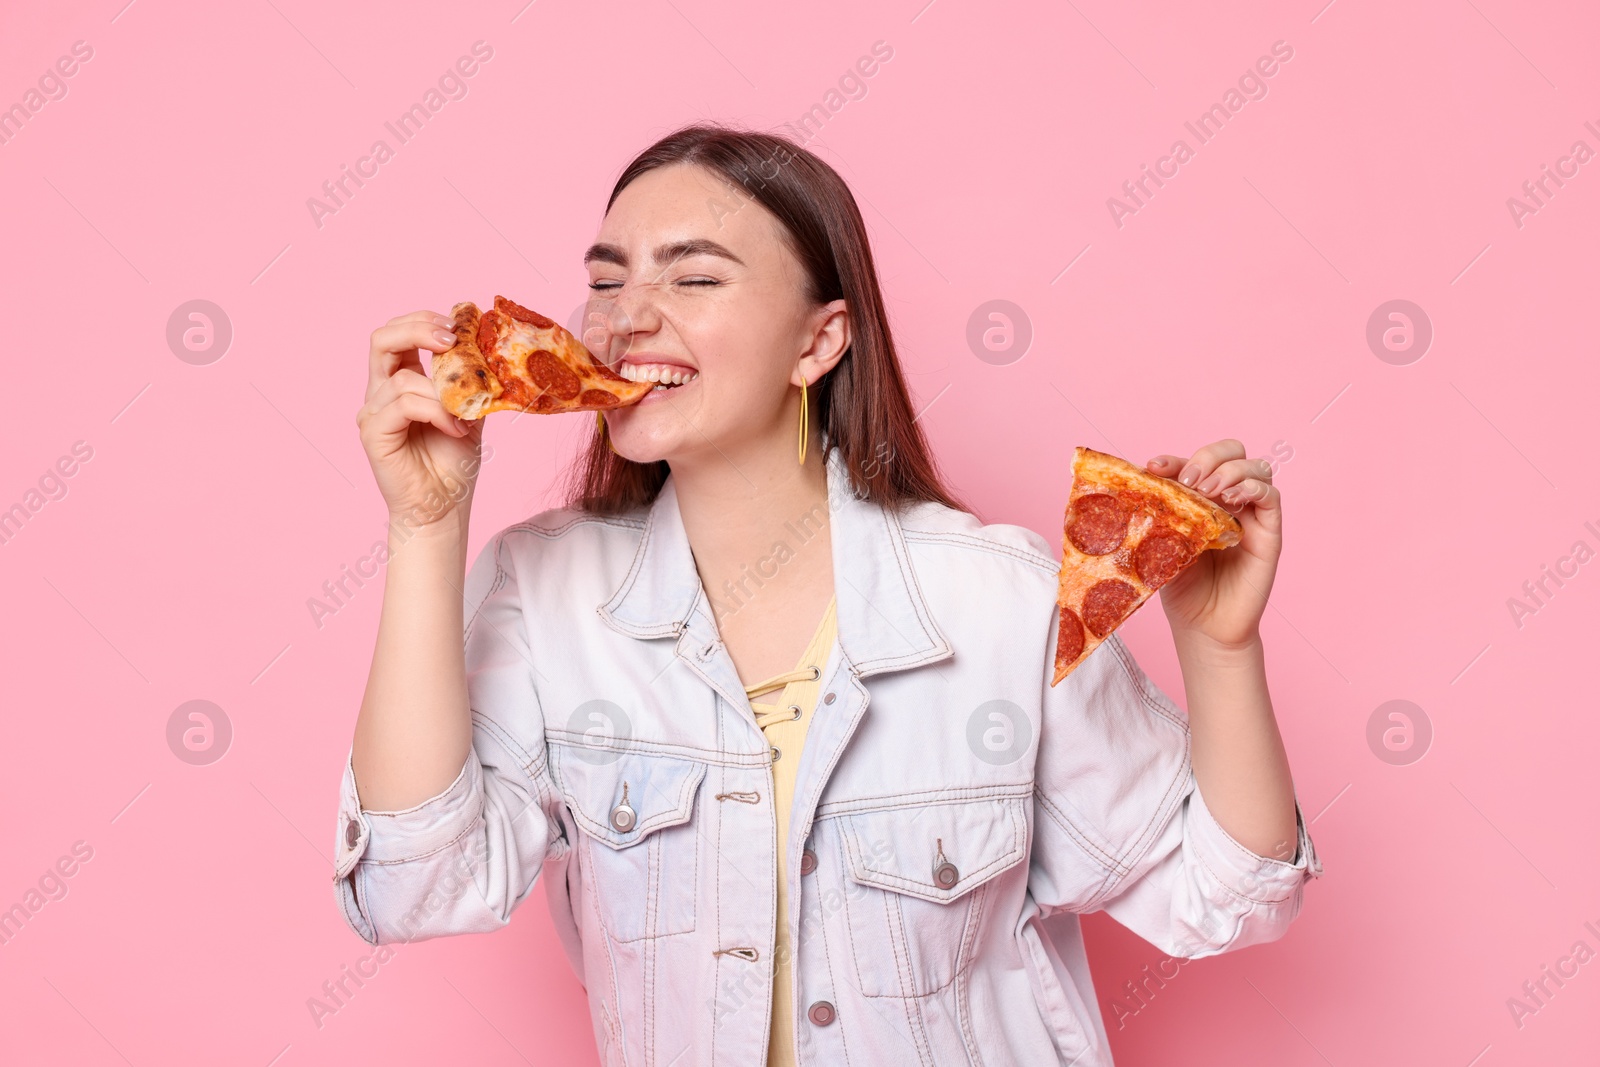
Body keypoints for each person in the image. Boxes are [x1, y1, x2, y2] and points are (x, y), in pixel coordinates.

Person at [335, 123, 1322, 1066]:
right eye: (606, 278)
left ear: (819, 341)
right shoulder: (545, 592)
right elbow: (422, 882)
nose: (624, 315)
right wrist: (425, 526)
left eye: (692, 276)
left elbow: (1227, 895)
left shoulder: (998, 600)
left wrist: (1220, 649)